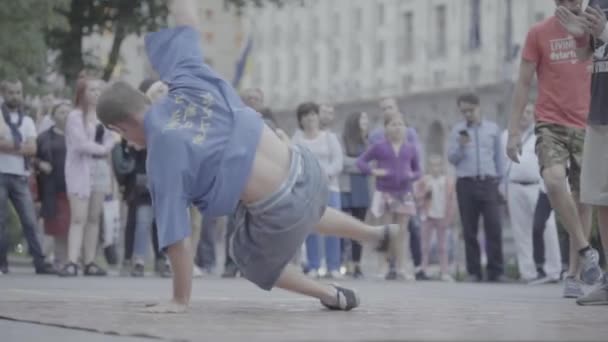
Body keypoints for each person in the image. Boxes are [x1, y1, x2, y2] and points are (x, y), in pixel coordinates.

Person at [96, 0, 402, 313]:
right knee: (303, 208)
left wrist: (179, 299)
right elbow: (187, 17)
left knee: (250, 258)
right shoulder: (185, 78)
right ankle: (373, 234)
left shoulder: (161, 156)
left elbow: (178, 239)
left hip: (280, 208)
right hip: (307, 168)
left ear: (117, 127)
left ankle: (329, 294)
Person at [507, 0, 602, 297]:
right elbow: (523, 83)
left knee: (583, 198)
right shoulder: (539, 32)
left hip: (589, 123)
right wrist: (513, 131)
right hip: (550, 122)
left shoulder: (595, 28)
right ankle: (587, 250)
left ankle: (573, 274)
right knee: (553, 179)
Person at [562, 1, 608, 305]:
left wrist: (605, 31)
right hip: (600, 110)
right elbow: (585, 56)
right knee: (602, 199)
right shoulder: (597, 2)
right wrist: (580, 37)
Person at [60, 74, 116, 277]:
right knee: (78, 217)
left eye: (99, 90)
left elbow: (112, 139)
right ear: (82, 93)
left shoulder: (104, 116)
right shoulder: (75, 116)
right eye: (92, 90)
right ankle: (72, 260)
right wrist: (103, 149)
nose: (96, 93)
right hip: (80, 171)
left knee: (94, 217)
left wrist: (105, 148)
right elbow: (81, 144)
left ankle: (90, 260)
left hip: (100, 170)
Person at [448, 93, 506, 282]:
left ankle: (496, 271)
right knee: (469, 229)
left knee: (494, 227)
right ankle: (474, 272)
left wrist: (501, 183)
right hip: (465, 183)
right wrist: (461, 147)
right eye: (464, 111)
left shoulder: (493, 129)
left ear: (478, 107)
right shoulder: (457, 130)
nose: (468, 114)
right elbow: (452, 158)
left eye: (470, 110)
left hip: (488, 182)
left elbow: (499, 158)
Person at [501, 103, 562, 284]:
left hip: (538, 187)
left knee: (547, 228)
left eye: (528, 112)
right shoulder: (506, 136)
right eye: (522, 112)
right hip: (514, 187)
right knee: (521, 231)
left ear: (534, 114)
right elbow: (502, 164)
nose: (524, 116)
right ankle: (528, 272)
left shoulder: (541, 135)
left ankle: (553, 271)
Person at [357, 112, 421, 280]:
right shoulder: (379, 147)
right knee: (386, 230)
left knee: (402, 231)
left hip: (404, 192)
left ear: (406, 128)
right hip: (386, 192)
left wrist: (411, 175)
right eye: (393, 124)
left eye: (400, 124)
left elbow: (418, 170)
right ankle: (383, 265)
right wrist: (373, 171)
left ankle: (401, 266)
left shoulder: (410, 148)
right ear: (385, 128)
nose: (397, 127)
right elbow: (361, 162)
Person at [0, 79, 55, 275]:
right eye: (11, 92)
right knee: (1, 221)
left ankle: (39, 262)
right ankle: (2, 263)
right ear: (3, 94)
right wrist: (20, 147)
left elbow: (32, 149)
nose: (15, 96)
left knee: (30, 220)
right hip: (1, 173)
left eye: (18, 92)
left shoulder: (28, 121)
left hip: (20, 176)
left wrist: (10, 145)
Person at [292, 102, 344, 279]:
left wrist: (325, 174)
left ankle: (334, 266)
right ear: (301, 120)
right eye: (305, 115)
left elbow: (338, 161)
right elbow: (293, 160)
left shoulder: (329, 137)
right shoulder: (297, 139)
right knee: (311, 227)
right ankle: (314, 265)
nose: (310, 118)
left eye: (313, 114)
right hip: (308, 187)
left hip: (330, 187)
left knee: (333, 226)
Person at [35, 101, 71, 269]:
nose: (65, 115)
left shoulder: (75, 135)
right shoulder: (44, 137)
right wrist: (40, 164)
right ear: (53, 115)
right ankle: (46, 258)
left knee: (66, 226)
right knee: (52, 224)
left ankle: (62, 260)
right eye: (61, 112)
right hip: (51, 186)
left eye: (67, 112)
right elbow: (32, 156)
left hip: (70, 186)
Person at [339, 111, 371, 278]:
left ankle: (357, 264)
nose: (365, 123)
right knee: (344, 227)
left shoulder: (367, 142)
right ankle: (343, 262)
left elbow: (371, 164)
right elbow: (342, 163)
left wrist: (360, 165)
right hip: (346, 187)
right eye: (362, 120)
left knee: (359, 228)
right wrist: (360, 164)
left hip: (362, 189)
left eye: (366, 120)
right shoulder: (343, 139)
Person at [415, 155, 456, 282]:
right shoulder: (424, 181)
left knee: (442, 245)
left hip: (442, 216)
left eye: (438, 165)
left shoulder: (447, 181)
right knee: (425, 245)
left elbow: (452, 200)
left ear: (442, 167)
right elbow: (417, 197)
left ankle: (444, 271)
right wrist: (424, 193)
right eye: (432, 165)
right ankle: (424, 269)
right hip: (427, 215)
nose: (435, 168)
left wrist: (449, 217)